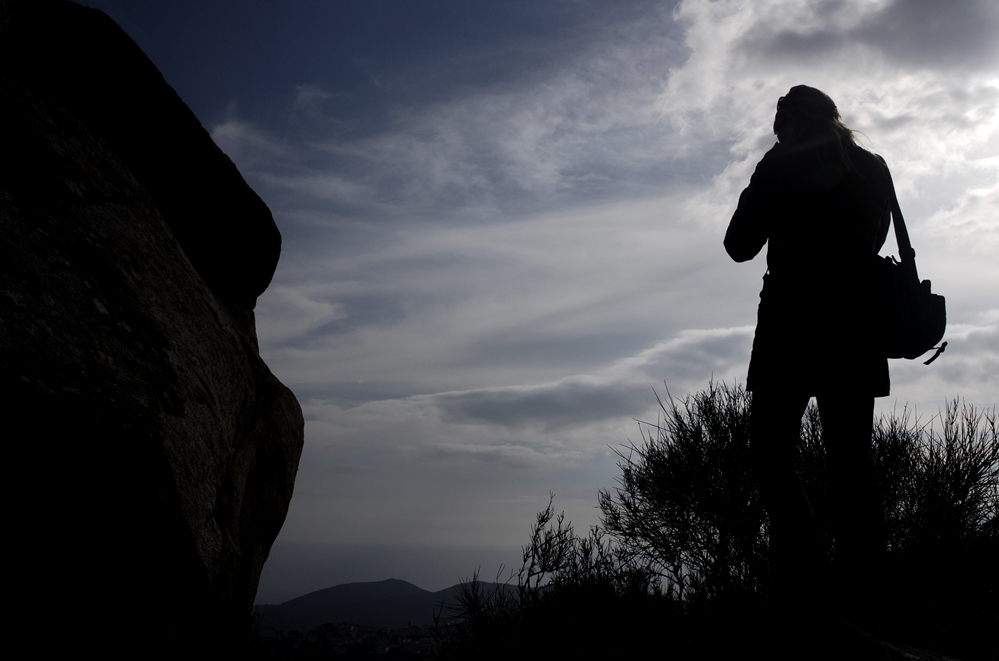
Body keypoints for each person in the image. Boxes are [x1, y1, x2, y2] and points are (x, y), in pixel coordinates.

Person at [724, 85, 890, 611]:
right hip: (856, 327)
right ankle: (864, 590)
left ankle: (806, 582)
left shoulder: (779, 168)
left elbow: (738, 245)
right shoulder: (872, 166)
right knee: (852, 465)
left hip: (790, 329)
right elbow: (874, 240)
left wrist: (771, 170)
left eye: (780, 128)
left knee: (771, 457)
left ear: (788, 125)